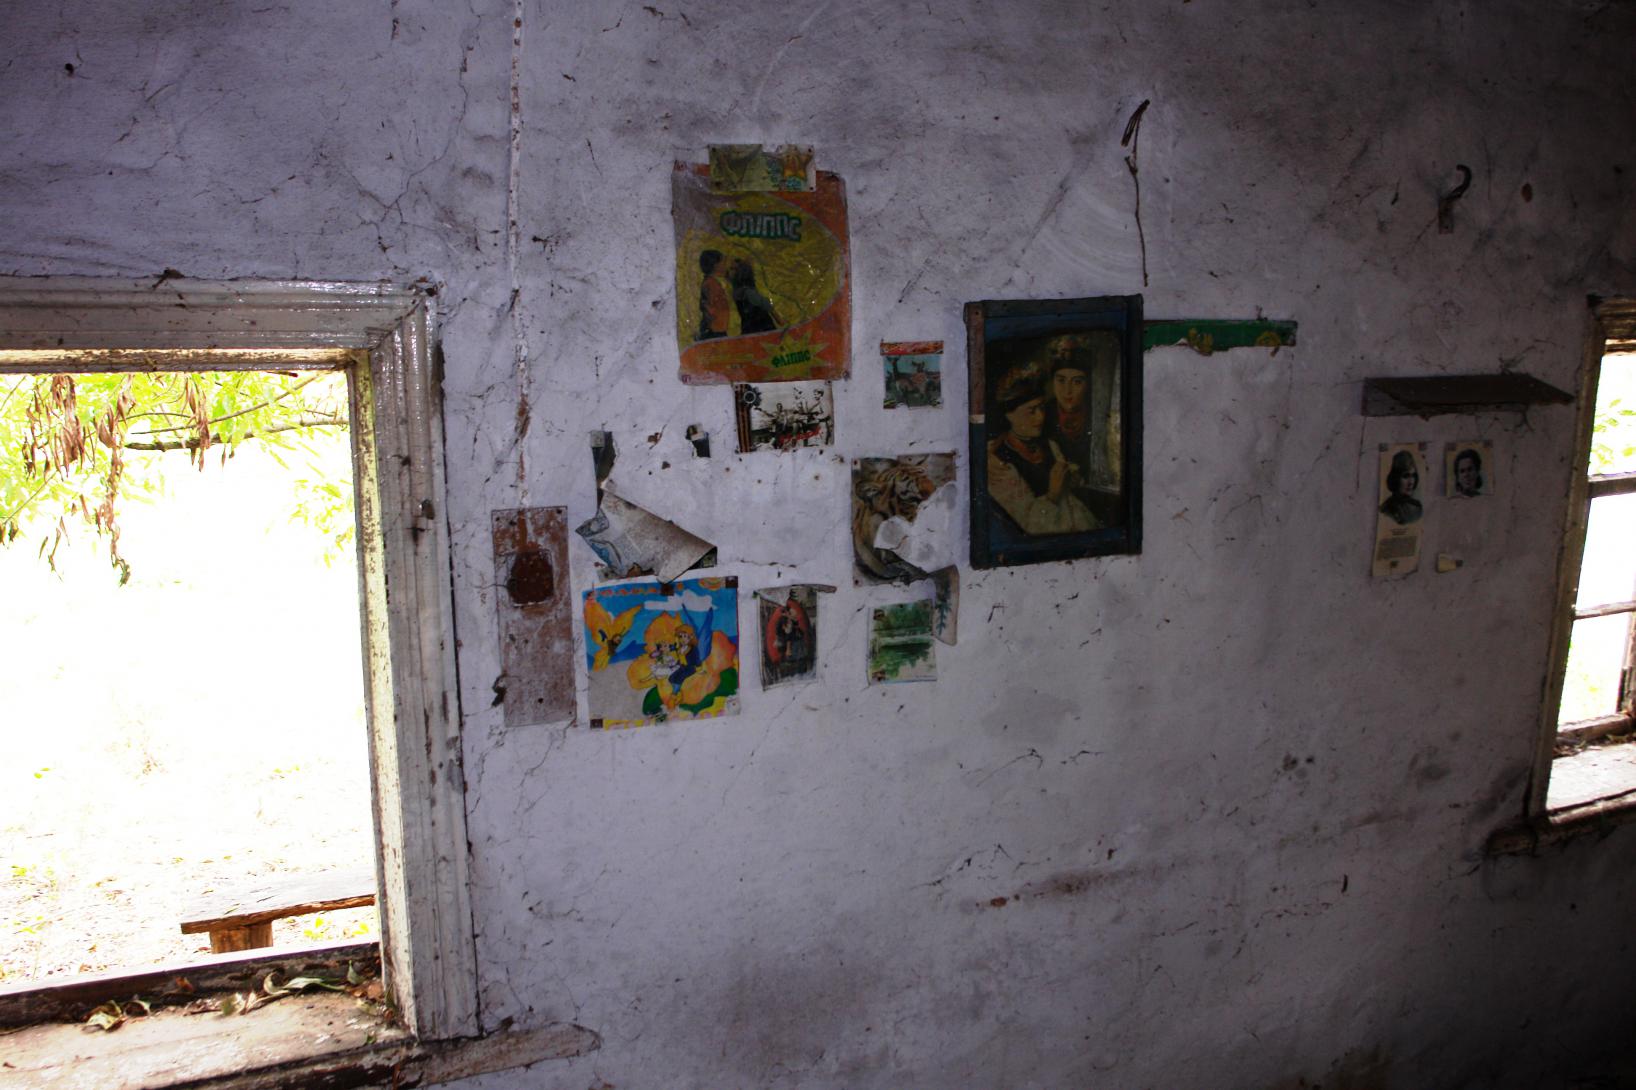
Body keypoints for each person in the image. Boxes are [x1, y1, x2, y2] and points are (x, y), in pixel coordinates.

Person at [986, 362, 1097, 535]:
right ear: (1009, 414)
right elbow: (1028, 527)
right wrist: (1052, 495)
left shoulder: (1050, 446)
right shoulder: (998, 464)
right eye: (1031, 411)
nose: (1040, 417)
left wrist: (1071, 480)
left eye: (1042, 408)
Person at [729, 258, 781, 334]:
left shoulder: (747, 292)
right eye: (731, 269)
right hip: (750, 326)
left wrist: (778, 318)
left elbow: (766, 303)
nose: (730, 272)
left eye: (733, 269)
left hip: (761, 326)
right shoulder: (739, 290)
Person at [1379, 450, 1423, 525]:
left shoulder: (1417, 507)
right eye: (1406, 476)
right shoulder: (1386, 509)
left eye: (1413, 476)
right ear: (1396, 478)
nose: (1411, 482)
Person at [696, 250, 730, 341]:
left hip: (718, 328)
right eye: (722, 263)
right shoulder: (711, 284)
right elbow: (709, 306)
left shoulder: (712, 282)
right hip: (715, 330)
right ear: (715, 265)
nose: (725, 265)